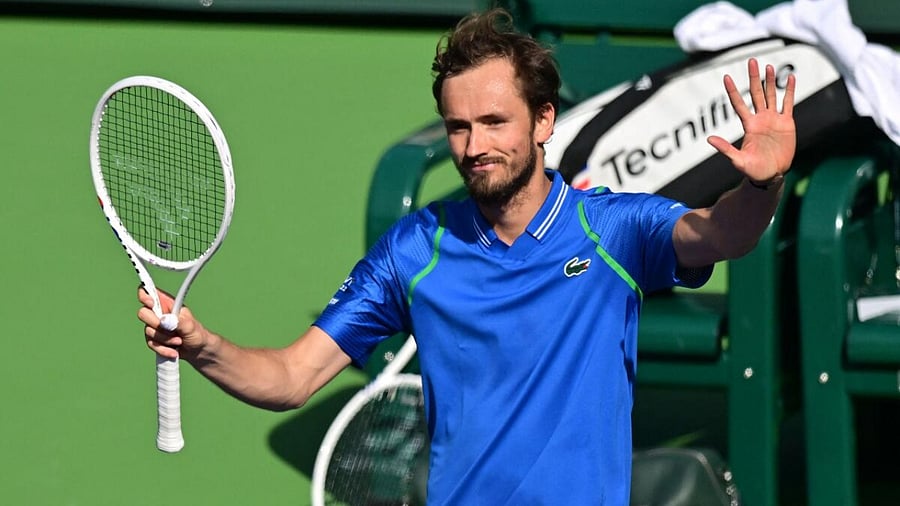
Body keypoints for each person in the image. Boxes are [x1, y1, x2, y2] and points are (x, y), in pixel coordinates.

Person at [138, 8, 796, 505]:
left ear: (542, 121)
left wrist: (762, 183)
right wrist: (203, 345)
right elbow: (292, 377)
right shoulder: (414, 250)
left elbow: (719, 234)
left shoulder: (612, 232)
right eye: (459, 127)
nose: (475, 145)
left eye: (494, 122)